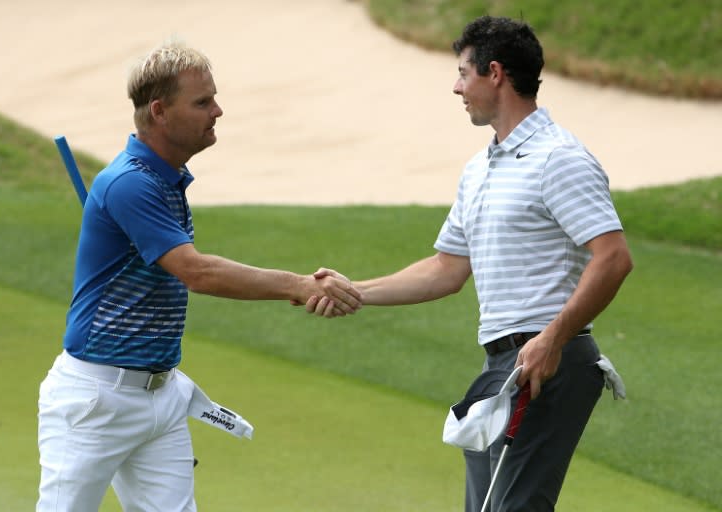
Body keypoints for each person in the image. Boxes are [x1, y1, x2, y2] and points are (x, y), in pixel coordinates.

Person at [307, 16, 633, 512]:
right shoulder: (480, 169)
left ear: (495, 73)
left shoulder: (558, 158)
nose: (456, 87)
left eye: (464, 72)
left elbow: (613, 258)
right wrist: (355, 291)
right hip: (504, 364)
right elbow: (447, 269)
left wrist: (553, 338)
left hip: (548, 361)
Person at [36, 40, 361, 512]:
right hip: (96, 401)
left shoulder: (165, 180)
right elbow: (198, 272)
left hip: (160, 395)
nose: (218, 111)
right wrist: (297, 284)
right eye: (202, 101)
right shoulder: (130, 182)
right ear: (160, 112)